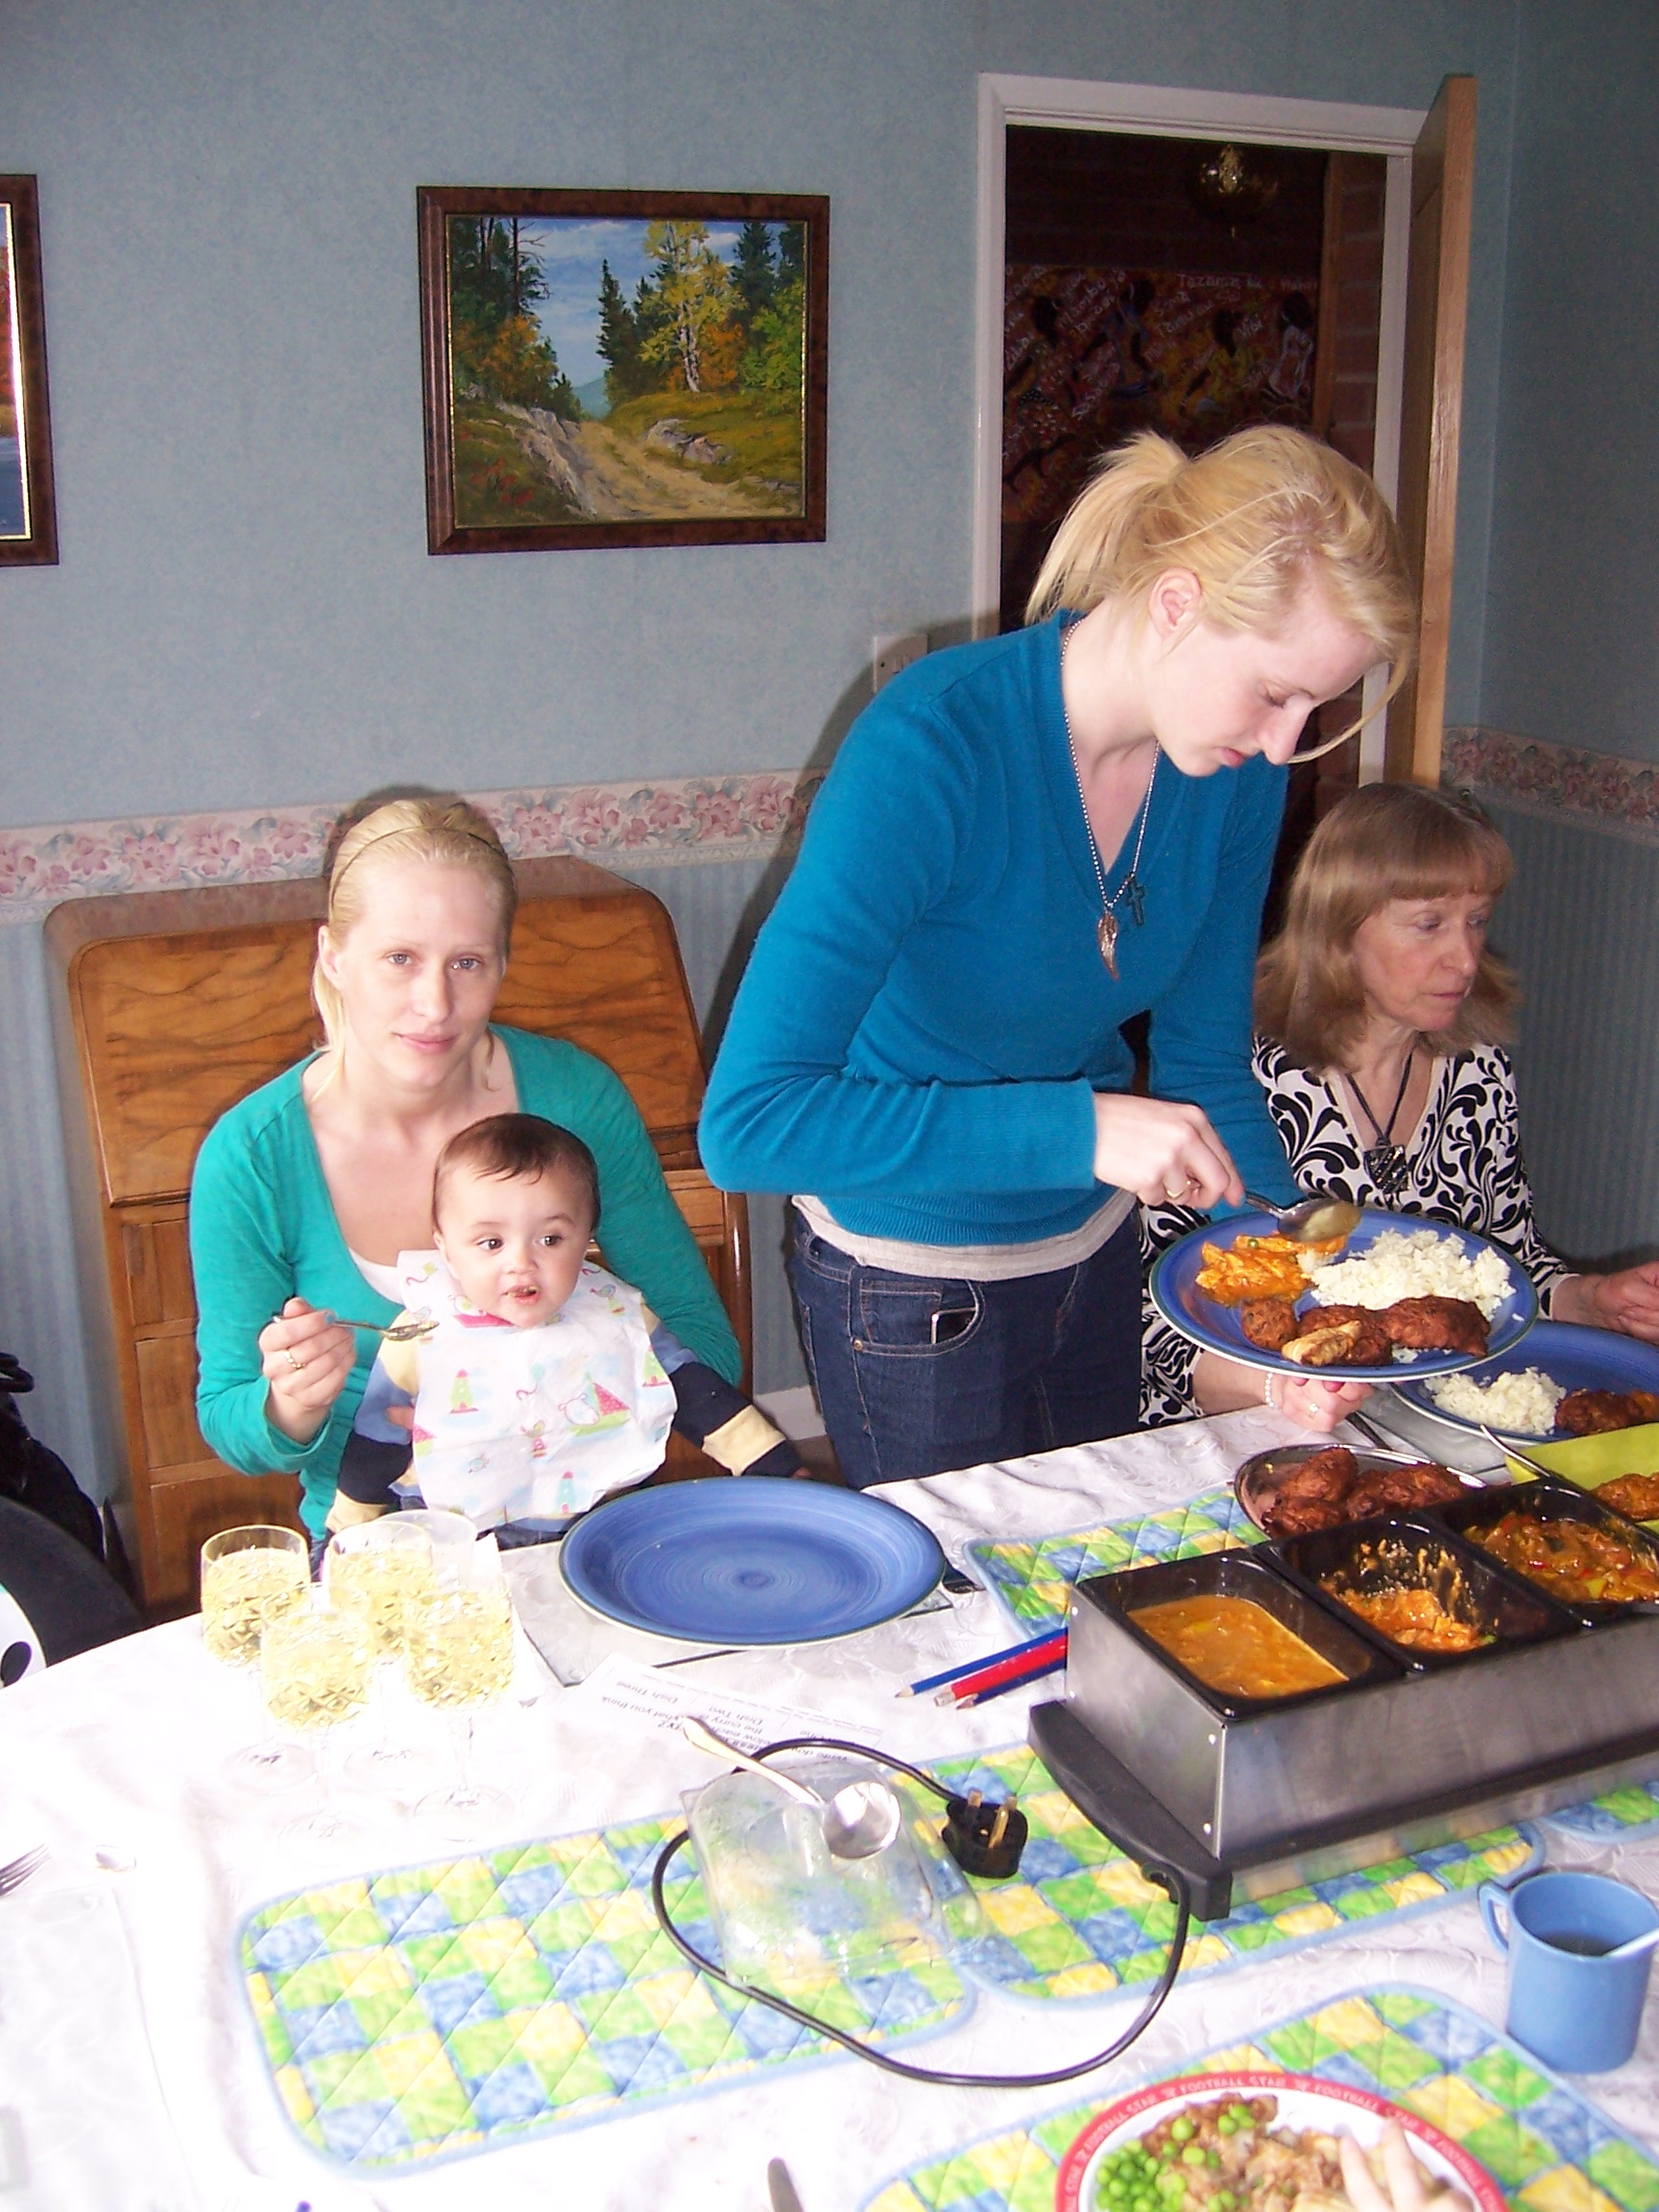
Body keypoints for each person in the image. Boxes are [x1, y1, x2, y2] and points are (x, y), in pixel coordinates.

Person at [700, 425, 1416, 1486]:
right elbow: (750, 1126)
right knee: (954, 1586)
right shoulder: (933, 747)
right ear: (1176, 604)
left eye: (1318, 707)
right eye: (1275, 693)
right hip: (910, 1288)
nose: (1286, 744)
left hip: (1093, 1256)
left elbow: (1207, 1068)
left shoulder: (1235, 774)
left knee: (1094, 1569)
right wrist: (1082, 1129)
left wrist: (1294, 1296)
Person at [190, 795, 741, 1543]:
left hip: (576, 1536)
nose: (435, 1004)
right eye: (399, 959)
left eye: (467, 963)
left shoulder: (574, 1099)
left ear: (503, 964)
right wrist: (293, 1403)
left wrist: (564, 1368)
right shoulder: (253, 1155)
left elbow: (705, 1344)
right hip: (381, 1551)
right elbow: (231, 1424)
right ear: (334, 957)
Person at [1142, 781, 1659, 1427]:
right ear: (1340, 928)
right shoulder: (1235, 1078)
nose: (1464, 959)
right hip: (1238, 1429)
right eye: (1429, 925)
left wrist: (1593, 1300)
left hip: (1426, 1425)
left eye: (1477, 920)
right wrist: (1281, 1387)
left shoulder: (1477, 1070)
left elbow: (1506, 1265)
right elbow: (1155, 1331)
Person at [331, 1114, 801, 1535]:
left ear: (586, 1237)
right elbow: (376, 1441)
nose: (521, 1262)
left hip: (601, 1523)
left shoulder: (616, 1315)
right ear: (446, 1248)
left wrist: (771, 1462)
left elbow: (694, 1391)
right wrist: (345, 1531)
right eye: (491, 1243)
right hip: (460, 1538)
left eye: (550, 1239)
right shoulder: (421, 1339)